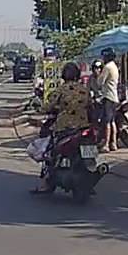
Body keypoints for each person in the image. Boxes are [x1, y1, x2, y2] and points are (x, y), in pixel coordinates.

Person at [32, 61, 94, 193]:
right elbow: (90, 106)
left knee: (51, 151)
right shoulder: (84, 90)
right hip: (84, 127)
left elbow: (48, 107)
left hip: (65, 128)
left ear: (64, 75)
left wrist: (39, 109)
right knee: (90, 152)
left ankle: (47, 182)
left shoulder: (61, 90)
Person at [94, 48, 120, 152]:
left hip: (108, 97)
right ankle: (113, 143)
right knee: (112, 121)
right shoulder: (114, 66)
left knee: (107, 122)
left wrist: (98, 74)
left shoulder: (107, 67)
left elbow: (100, 82)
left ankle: (106, 144)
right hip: (114, 96)